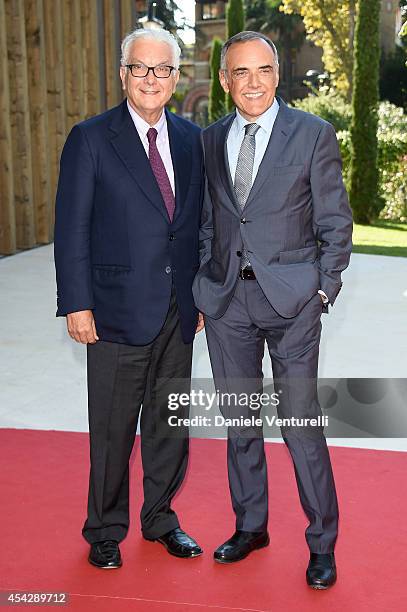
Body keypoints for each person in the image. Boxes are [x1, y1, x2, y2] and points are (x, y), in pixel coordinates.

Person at [193, 31, 353, 589]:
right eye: (240, 72)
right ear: (224, 80)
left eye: (262, 70)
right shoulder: (210, 141)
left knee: (299, 424)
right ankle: (251, 525)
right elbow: (212, 221)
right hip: (226, 304)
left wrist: (323, 289)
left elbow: (336, 223)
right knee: (241, 421)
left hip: (292, 302)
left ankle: (322, 544)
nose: (253, 82)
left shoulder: (313, 134)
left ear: (277, 73)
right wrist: (202, 286)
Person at [54, 28, 205, 569]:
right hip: (114, 310)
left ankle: (161, 518)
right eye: (140, 68)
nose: (150, 78)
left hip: (178, 310)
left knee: (169, 425)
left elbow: (198, 226)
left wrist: (203, 294)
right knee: (114, 429)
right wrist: (77, 302)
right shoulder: (91, 138)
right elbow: (71, 227)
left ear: (174, 78)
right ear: (123, 75)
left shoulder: (192, 140)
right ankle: (103, 529)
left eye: (161, 69)